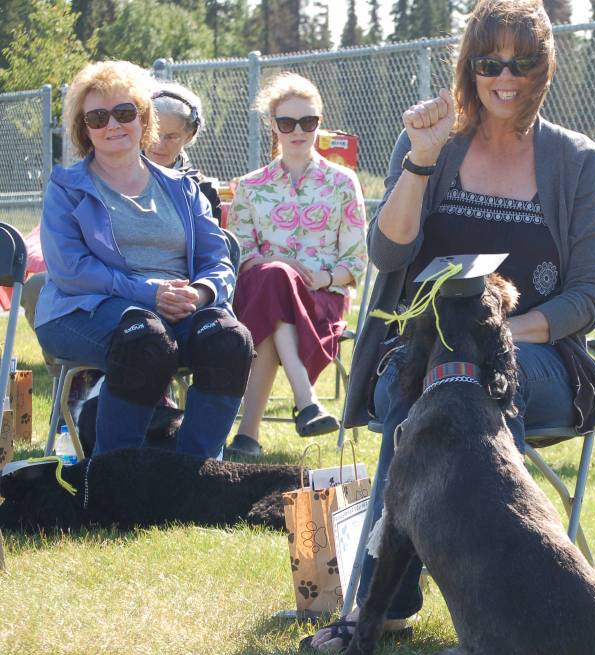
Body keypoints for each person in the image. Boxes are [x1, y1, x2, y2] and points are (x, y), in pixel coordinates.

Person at [305, 0, 595, 651]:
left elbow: (591, 293)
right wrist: (420, 158)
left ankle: (503, 602)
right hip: (420, 352)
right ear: (468, 66)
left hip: (536, 353)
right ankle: (386, 603)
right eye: (490, 61)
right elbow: (387, 254)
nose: (506, 76)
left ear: (543, 69)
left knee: (470, 386)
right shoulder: (431, 143)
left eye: (522, 62)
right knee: (424, 388)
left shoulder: (579, 161)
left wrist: (510, 331)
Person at [34, 60, 253, 458]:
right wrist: (147, 293)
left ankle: (194, 473)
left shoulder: (182, 188)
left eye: (124, 112)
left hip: (177, 310)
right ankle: (116, 474)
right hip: (84, 309)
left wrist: (201, 294)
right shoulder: (67, 188)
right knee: (146, 339)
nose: (112, 125)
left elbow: (218, 261)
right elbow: (71, 270)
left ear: (144, 116)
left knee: (229, 340)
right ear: (84, 129)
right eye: (98, 117)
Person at [224, 72, 368, 457]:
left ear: (319, 122)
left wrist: (323, 277)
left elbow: (356, 259)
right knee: (275, 279)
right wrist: (279, 260)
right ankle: (306, 402)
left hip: (322, 296)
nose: (298, 131)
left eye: (308, 122)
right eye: (287, 122)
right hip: (262, 290)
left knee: (275, 309)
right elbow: (237, 255)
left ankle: (247, 437)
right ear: (273, 125)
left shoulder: (342, 182)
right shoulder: (252, 186)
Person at [148, 83, 222, 222]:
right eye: (154, 133)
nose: (160, 144)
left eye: (172, 137)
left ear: (189, 136)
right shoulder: (118, 179)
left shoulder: (201, 190)